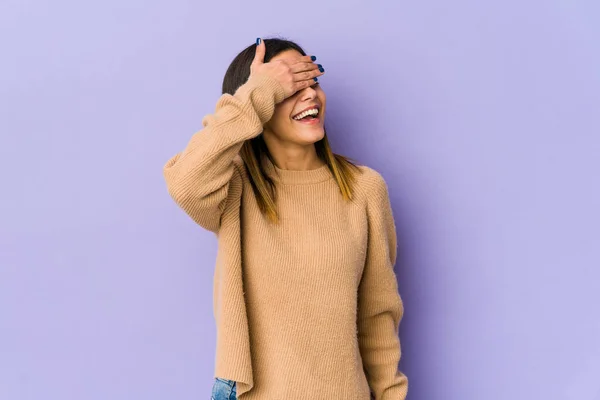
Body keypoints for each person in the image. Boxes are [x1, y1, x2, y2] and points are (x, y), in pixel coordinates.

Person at [163, 37, 408, 400]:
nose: (309, 94)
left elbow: (377, 319)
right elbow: (185, 183)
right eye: (289, 87)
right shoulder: (233, 188)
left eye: (312, 81)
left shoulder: (365, 189)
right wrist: (259, 91)